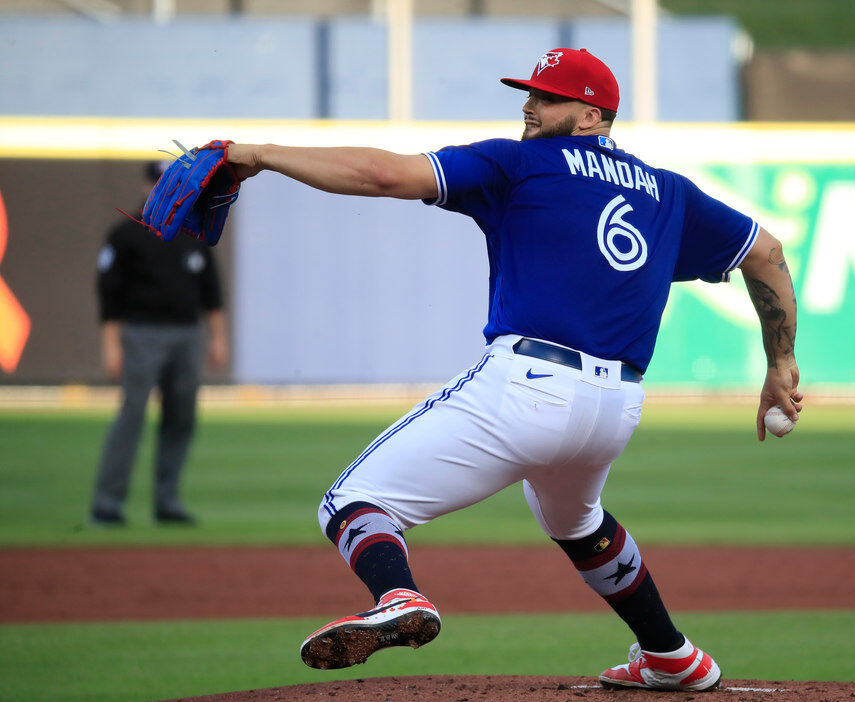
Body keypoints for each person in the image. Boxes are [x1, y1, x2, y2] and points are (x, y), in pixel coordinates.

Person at [225, 48, 801, 692]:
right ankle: (671, 656)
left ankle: (399, 598)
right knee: (576, 522)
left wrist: (260, 154)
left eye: (547, 97)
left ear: (591, 115)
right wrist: (781, 364)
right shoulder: (669, 192)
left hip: (529, 387)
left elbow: (382, 174)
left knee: (354, 502)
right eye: (528, 94)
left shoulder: (518, 162)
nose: (529, 106)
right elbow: (767, 251)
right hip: (616, 407)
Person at [90, 162, 228, 526]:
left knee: (181, 418)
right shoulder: (125, 233)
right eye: (156, 183)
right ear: (144, 186)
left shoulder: (192, 234)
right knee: (131, 416)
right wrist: (111, 345)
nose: (159, 190)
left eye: (168, 185)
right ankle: (107, 505)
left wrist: (217, 338)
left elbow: (212, 293)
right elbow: (109, 294)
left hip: (187, 334)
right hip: (141, 333)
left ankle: (167, 503)